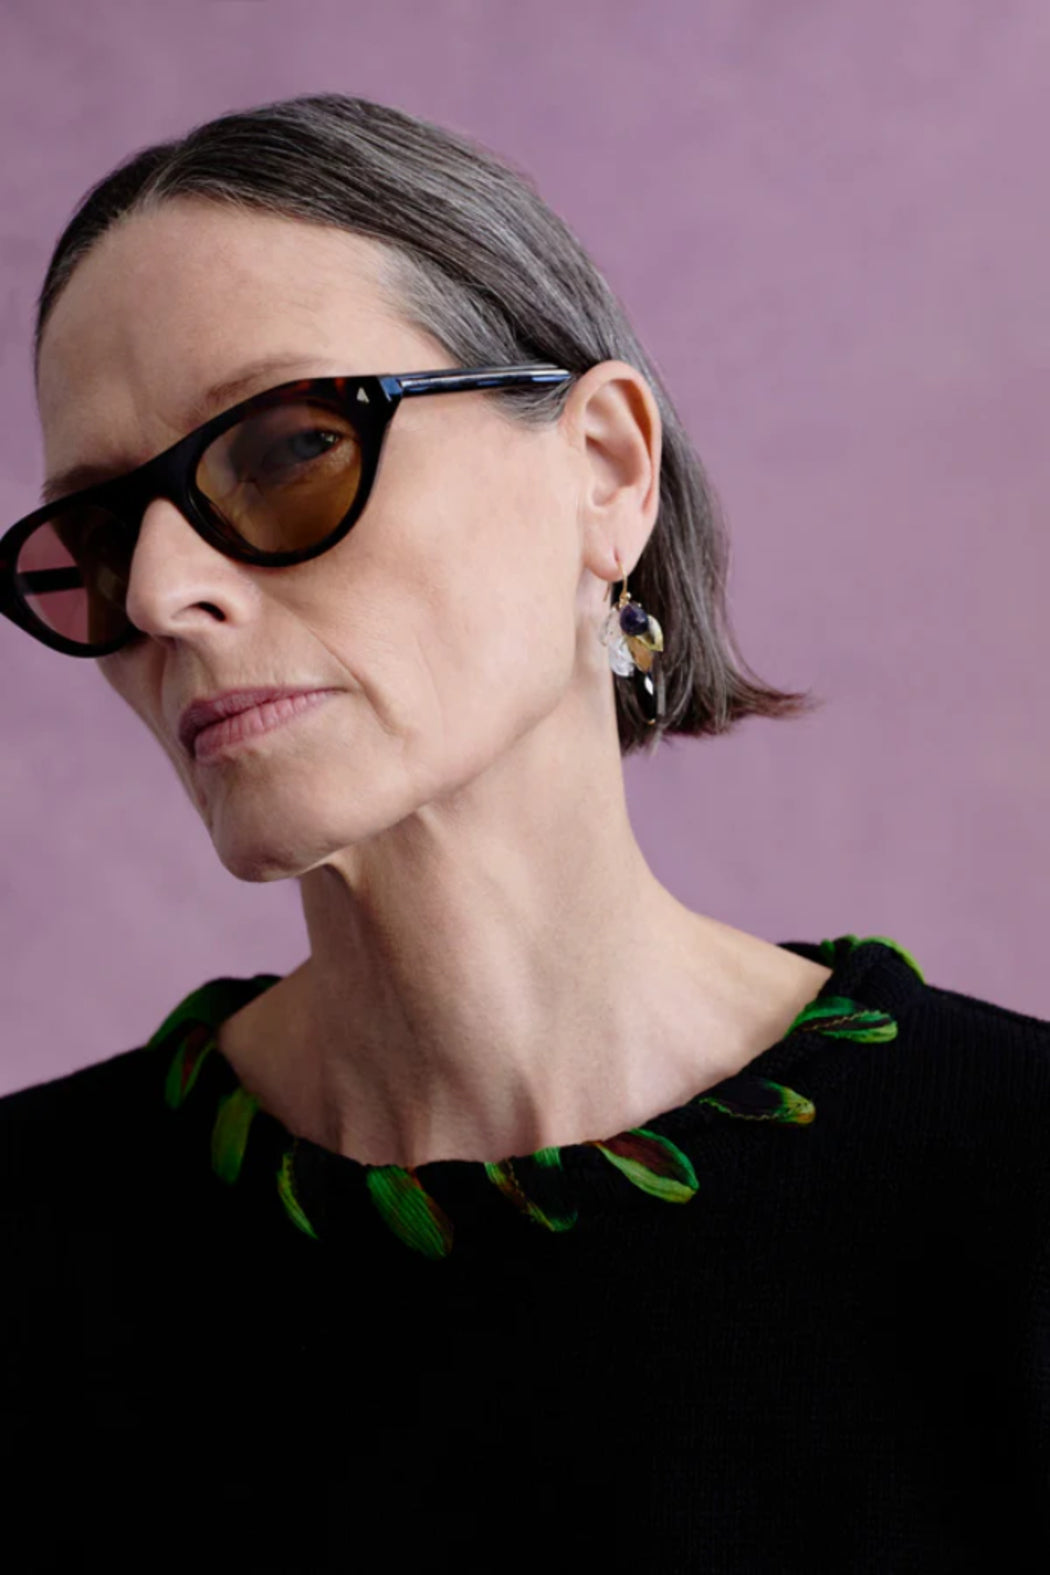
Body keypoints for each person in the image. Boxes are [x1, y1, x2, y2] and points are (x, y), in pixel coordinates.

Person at [1, 93, 1047, 1573]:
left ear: (605, 470)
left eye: (289, 449)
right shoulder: (29, 1246)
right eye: (103, 536)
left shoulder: (1014, 1186)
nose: (165, 593)